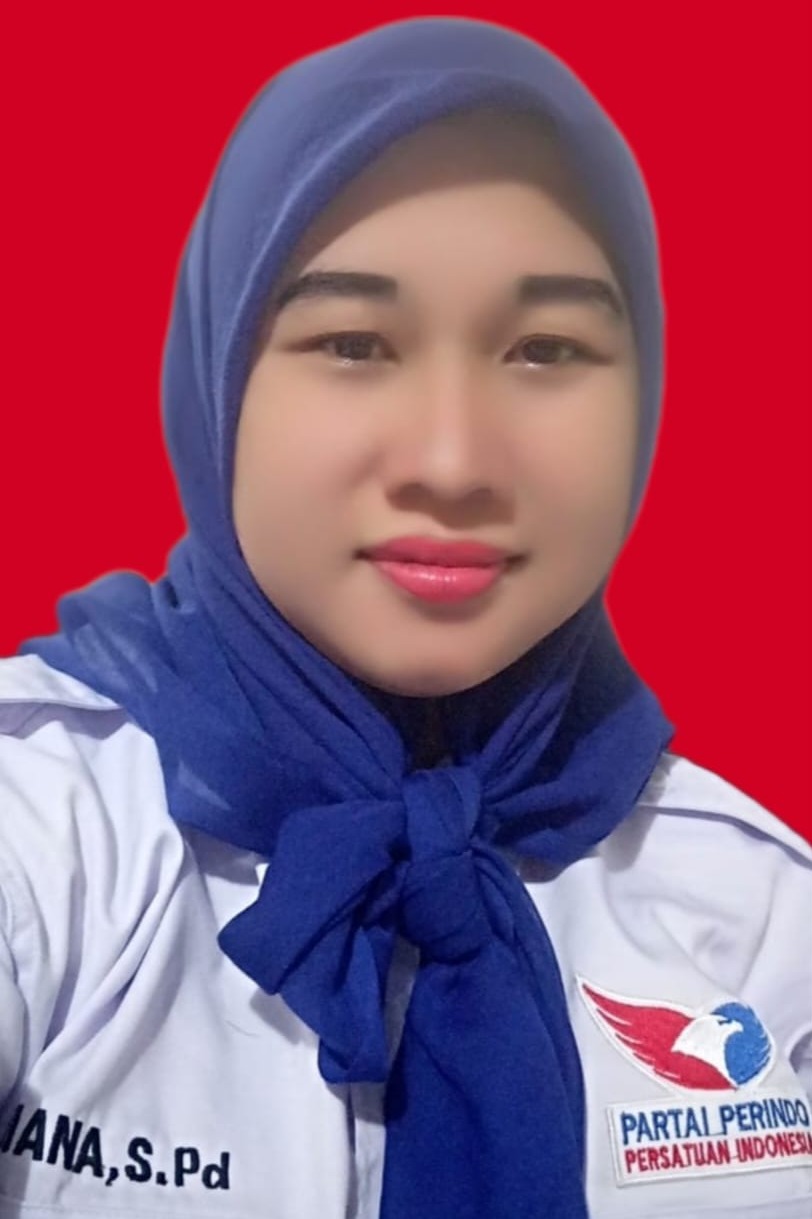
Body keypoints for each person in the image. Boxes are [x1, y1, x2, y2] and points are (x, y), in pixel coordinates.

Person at [0, 15, 809, 1219]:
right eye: (352, 342)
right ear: (218, 379)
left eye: (544, 349)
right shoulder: (43, 831)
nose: (450, 460)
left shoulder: (759, 915)